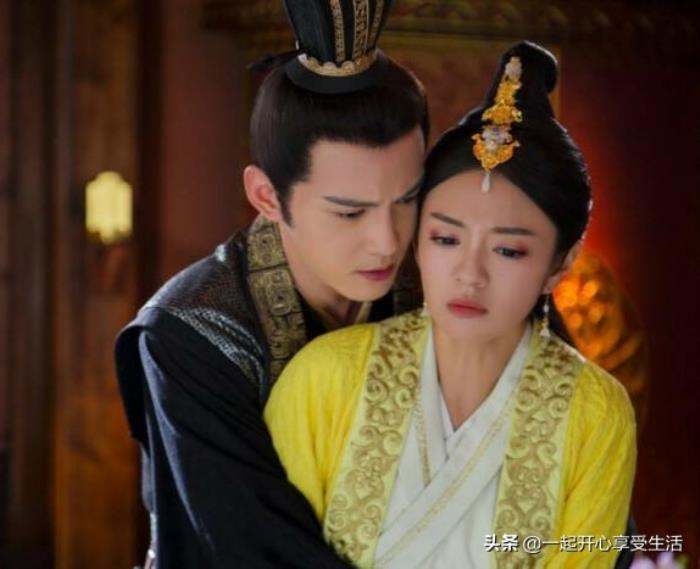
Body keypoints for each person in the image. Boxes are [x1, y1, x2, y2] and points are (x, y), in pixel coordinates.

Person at [264, 41, 637, 568]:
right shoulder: (323, 378)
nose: (470, 274)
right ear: (417, 240)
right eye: (445, 239)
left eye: (508, 250)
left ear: (561, 264)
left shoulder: (595, 413)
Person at [114, 1, 429, 566]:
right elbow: (256, 549)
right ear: (266, 196)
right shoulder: (190, 333)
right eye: (349, 212)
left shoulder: (444, 280)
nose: (387, 241)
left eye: (407, 199)